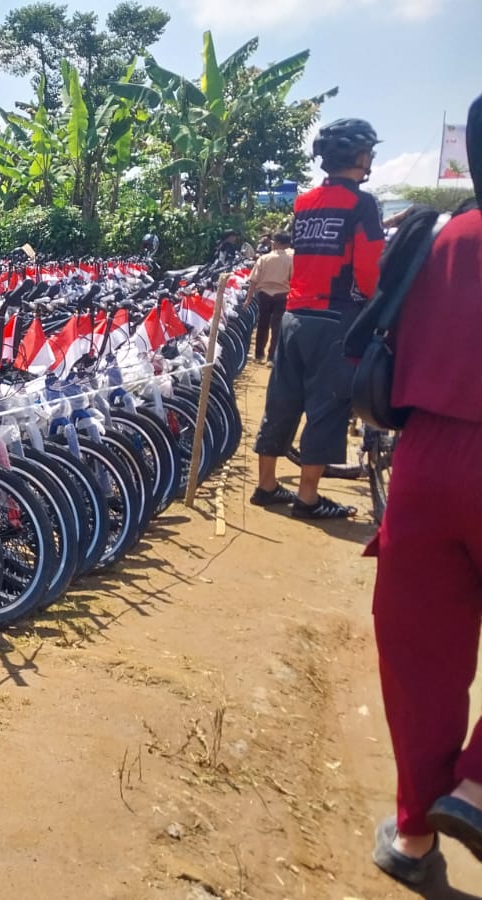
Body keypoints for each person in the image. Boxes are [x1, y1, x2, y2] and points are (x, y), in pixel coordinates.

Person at [367, 93, 482, 887]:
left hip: (426, 460)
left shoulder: (435, 236)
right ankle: (475, 784)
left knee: (419, 657)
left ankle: (414, 833)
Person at [250, 117, 383, 519]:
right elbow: (370, 268)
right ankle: (307, 498)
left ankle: (267, 485)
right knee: (327, 407)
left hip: (295, 315)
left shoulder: (304, 202)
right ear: (359, 156)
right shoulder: (363, 204)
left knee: (282, 399)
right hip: (336, 317)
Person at [245, 233, 294, 363]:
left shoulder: (264, 258)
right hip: (282, 295)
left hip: (264, 294)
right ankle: (271, 357)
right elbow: (293, 279)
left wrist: (248, 299)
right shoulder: (290, 260)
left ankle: (259, 355)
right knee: (277, 326)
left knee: (262, 324)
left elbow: (254, 281)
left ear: (276, 243)